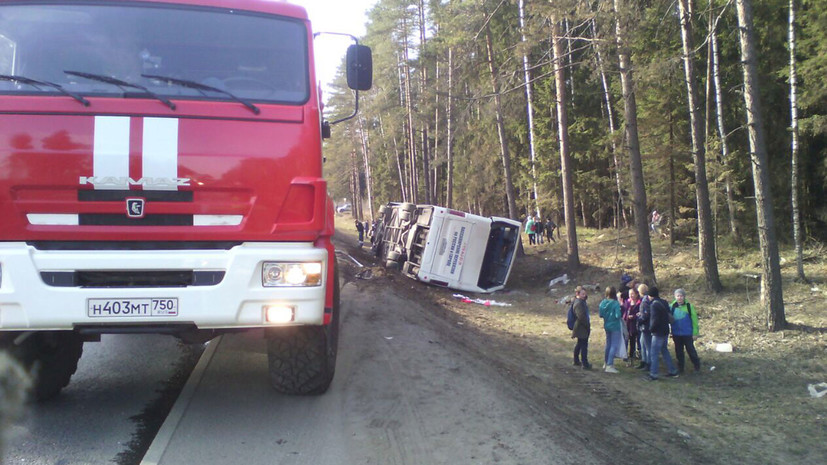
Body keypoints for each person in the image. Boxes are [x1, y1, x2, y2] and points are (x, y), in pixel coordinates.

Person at [647, 286, 679, 380]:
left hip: (657, 332)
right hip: (665, 330)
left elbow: (654, 320)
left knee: (654, 353)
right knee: (664, 351)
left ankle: (653, 374)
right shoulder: (664, 302)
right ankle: (672, 370)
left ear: (650, 295)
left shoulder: (653, 305)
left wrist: (651, 329)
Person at [671, 289, 701, 373]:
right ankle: (680, 368)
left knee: (690, 350)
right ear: (675, 296)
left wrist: (695, 333)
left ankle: (696, 365)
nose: (679, 298)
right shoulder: (672, 306)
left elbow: (694, 320)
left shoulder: (689, 306)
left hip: (687, 333)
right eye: (678, 296)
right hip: (676, 333)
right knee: (679, 351)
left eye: (681, 296)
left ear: (684, 297)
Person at [598, 286, 622, 373]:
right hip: (615, 326)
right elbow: (617, 315)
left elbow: (600, 315)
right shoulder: (615, 303)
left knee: (608, 344)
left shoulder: (603, 303)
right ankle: (610, 364)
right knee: (614, 345)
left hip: (607, 324)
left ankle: (606, 362)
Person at [571, 286, 592, 369]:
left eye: (585, 294)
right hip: (581, 327)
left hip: (581, 326)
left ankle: (576, 360)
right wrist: (587, 325)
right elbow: (581, 316)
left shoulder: (580, 302)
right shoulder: (579, 303)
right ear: (577, 294)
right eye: (582, 294)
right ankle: (585, 363)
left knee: (580, 344)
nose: (584, 295)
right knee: (583, 346)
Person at [623, 287, 642, 361]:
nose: (631, 295)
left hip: (636, 324)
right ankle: (626, 355)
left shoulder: (639, 303)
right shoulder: (627, 302)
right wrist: (626, 317)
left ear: (637, 294)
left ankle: (634, 354)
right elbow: (624, 312)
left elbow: (639, 314)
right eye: (629, 294)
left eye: (632, 294)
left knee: (635, 339)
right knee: (628, 339)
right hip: (628, 323)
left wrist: (634, 316)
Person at [636, 283, 651, 371]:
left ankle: (648, 363)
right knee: (642, 343)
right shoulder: (646, 299)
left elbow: (646, 314)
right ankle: (644, 361)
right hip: (646, 325)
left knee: (646, 345)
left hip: (646, 326)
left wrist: (639, 318)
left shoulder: (644, 301)